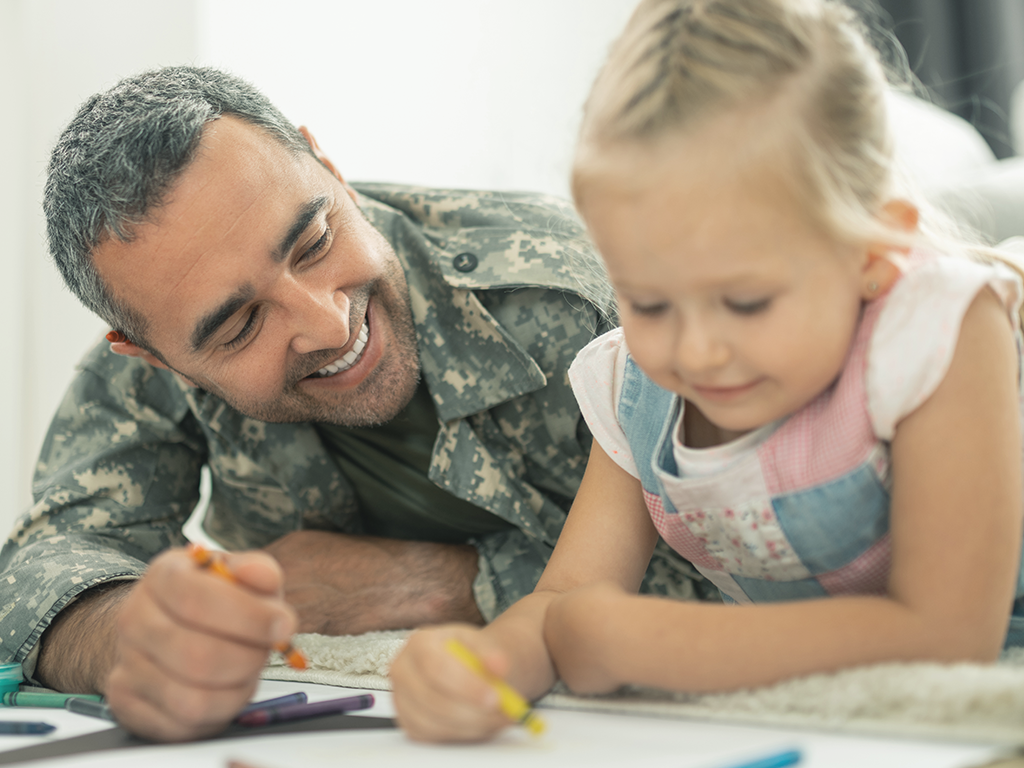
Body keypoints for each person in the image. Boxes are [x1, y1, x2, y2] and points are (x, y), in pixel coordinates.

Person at [0, 66, 706, 741]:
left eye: (312, 243)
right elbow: (41, 560)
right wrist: (122, 638)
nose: (329, 324)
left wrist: (447, 585)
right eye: (242, 326)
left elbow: (763, 571)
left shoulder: (585, 301)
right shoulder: (170, 327)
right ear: (154, 357)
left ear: (330, 170)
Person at [389, 0, 1024, 743]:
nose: (695, 352)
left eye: (746, 302)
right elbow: (565, 602)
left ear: (871, 257)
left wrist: (643, 642)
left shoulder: (938, 329)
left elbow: (949, 637)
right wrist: (486, 661)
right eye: (650, 302)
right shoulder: (637, 385)